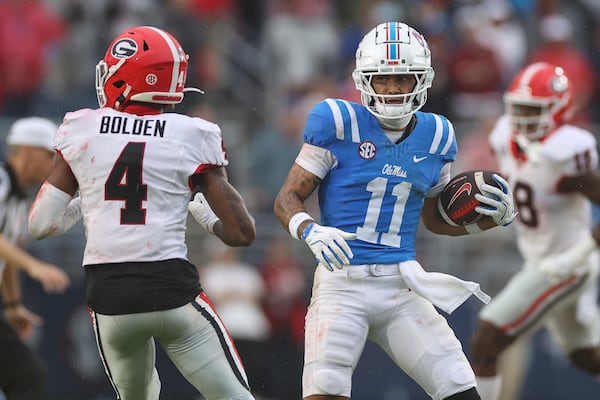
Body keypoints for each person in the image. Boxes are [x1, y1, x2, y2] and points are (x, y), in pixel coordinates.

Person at [273, 21, 517, 400]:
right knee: (326, 390)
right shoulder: (337, 122)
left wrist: (485, 221)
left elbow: (435, 219)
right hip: (342, 284)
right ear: (363, 80)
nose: (391, 89)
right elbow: (287, 198)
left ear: (421, 79)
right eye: (381, 79)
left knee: (460, 389)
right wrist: (309, 229)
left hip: (401, 286)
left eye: (402, 79)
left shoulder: (437, 135)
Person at [27, 26, 256, 400]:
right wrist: (204, 215)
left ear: (126, 76)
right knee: (233, 396)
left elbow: (40, 225)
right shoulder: (191, 133)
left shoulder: (82, 128)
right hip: (169, 288)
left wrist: (86, 201)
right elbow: (241, 233)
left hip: (109, 296)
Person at [470, 62, 600, 400]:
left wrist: (576, 256)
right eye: (519, 108)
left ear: (559, 110)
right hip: (540, 258)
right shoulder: (503, 136)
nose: (522, 118)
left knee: (486, 340)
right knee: (586, 357)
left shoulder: (565, 151)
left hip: (564, 265)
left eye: (532, 110)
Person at [0, 117, 70, 399]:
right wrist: (35, 266)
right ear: (28, 151)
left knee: (28, 376)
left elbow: (7, 256)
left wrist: (14, 304)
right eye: (49, 156)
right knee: (26, 375)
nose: (54, 165)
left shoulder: (16, 197)